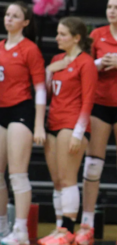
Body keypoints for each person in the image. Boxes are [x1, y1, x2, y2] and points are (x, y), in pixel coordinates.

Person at [73, 0, 117, 245]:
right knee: (92, 166)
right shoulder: (97, 35)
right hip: (99, 104)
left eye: (116, 7)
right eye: (108, 7)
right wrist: (100, 64)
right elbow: (81, 67)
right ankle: (86, 225)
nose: (111, 11)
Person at [37, 16, 97, 245]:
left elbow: (88, 101)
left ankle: (67, 230)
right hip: (53, 122)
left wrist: (78, 133)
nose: (57, 38)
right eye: (58, 33)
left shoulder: (86, 63)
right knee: (57, 181)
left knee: (67, 178)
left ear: (76, 38)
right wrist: (49, 71)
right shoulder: (57, 59)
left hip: (71, 125)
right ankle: (59, 228)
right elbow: (48, 94)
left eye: (62, 34)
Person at [0, 2, 46, 245]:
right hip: (1, 112)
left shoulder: (29, 49)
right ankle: (2, 228)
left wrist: (38, 124)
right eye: (8, 14)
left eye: (15, 16)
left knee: (17, 174)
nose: (9, 18)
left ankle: (20, 232)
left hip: (21, 111)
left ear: (25, 22)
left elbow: (40, 89)